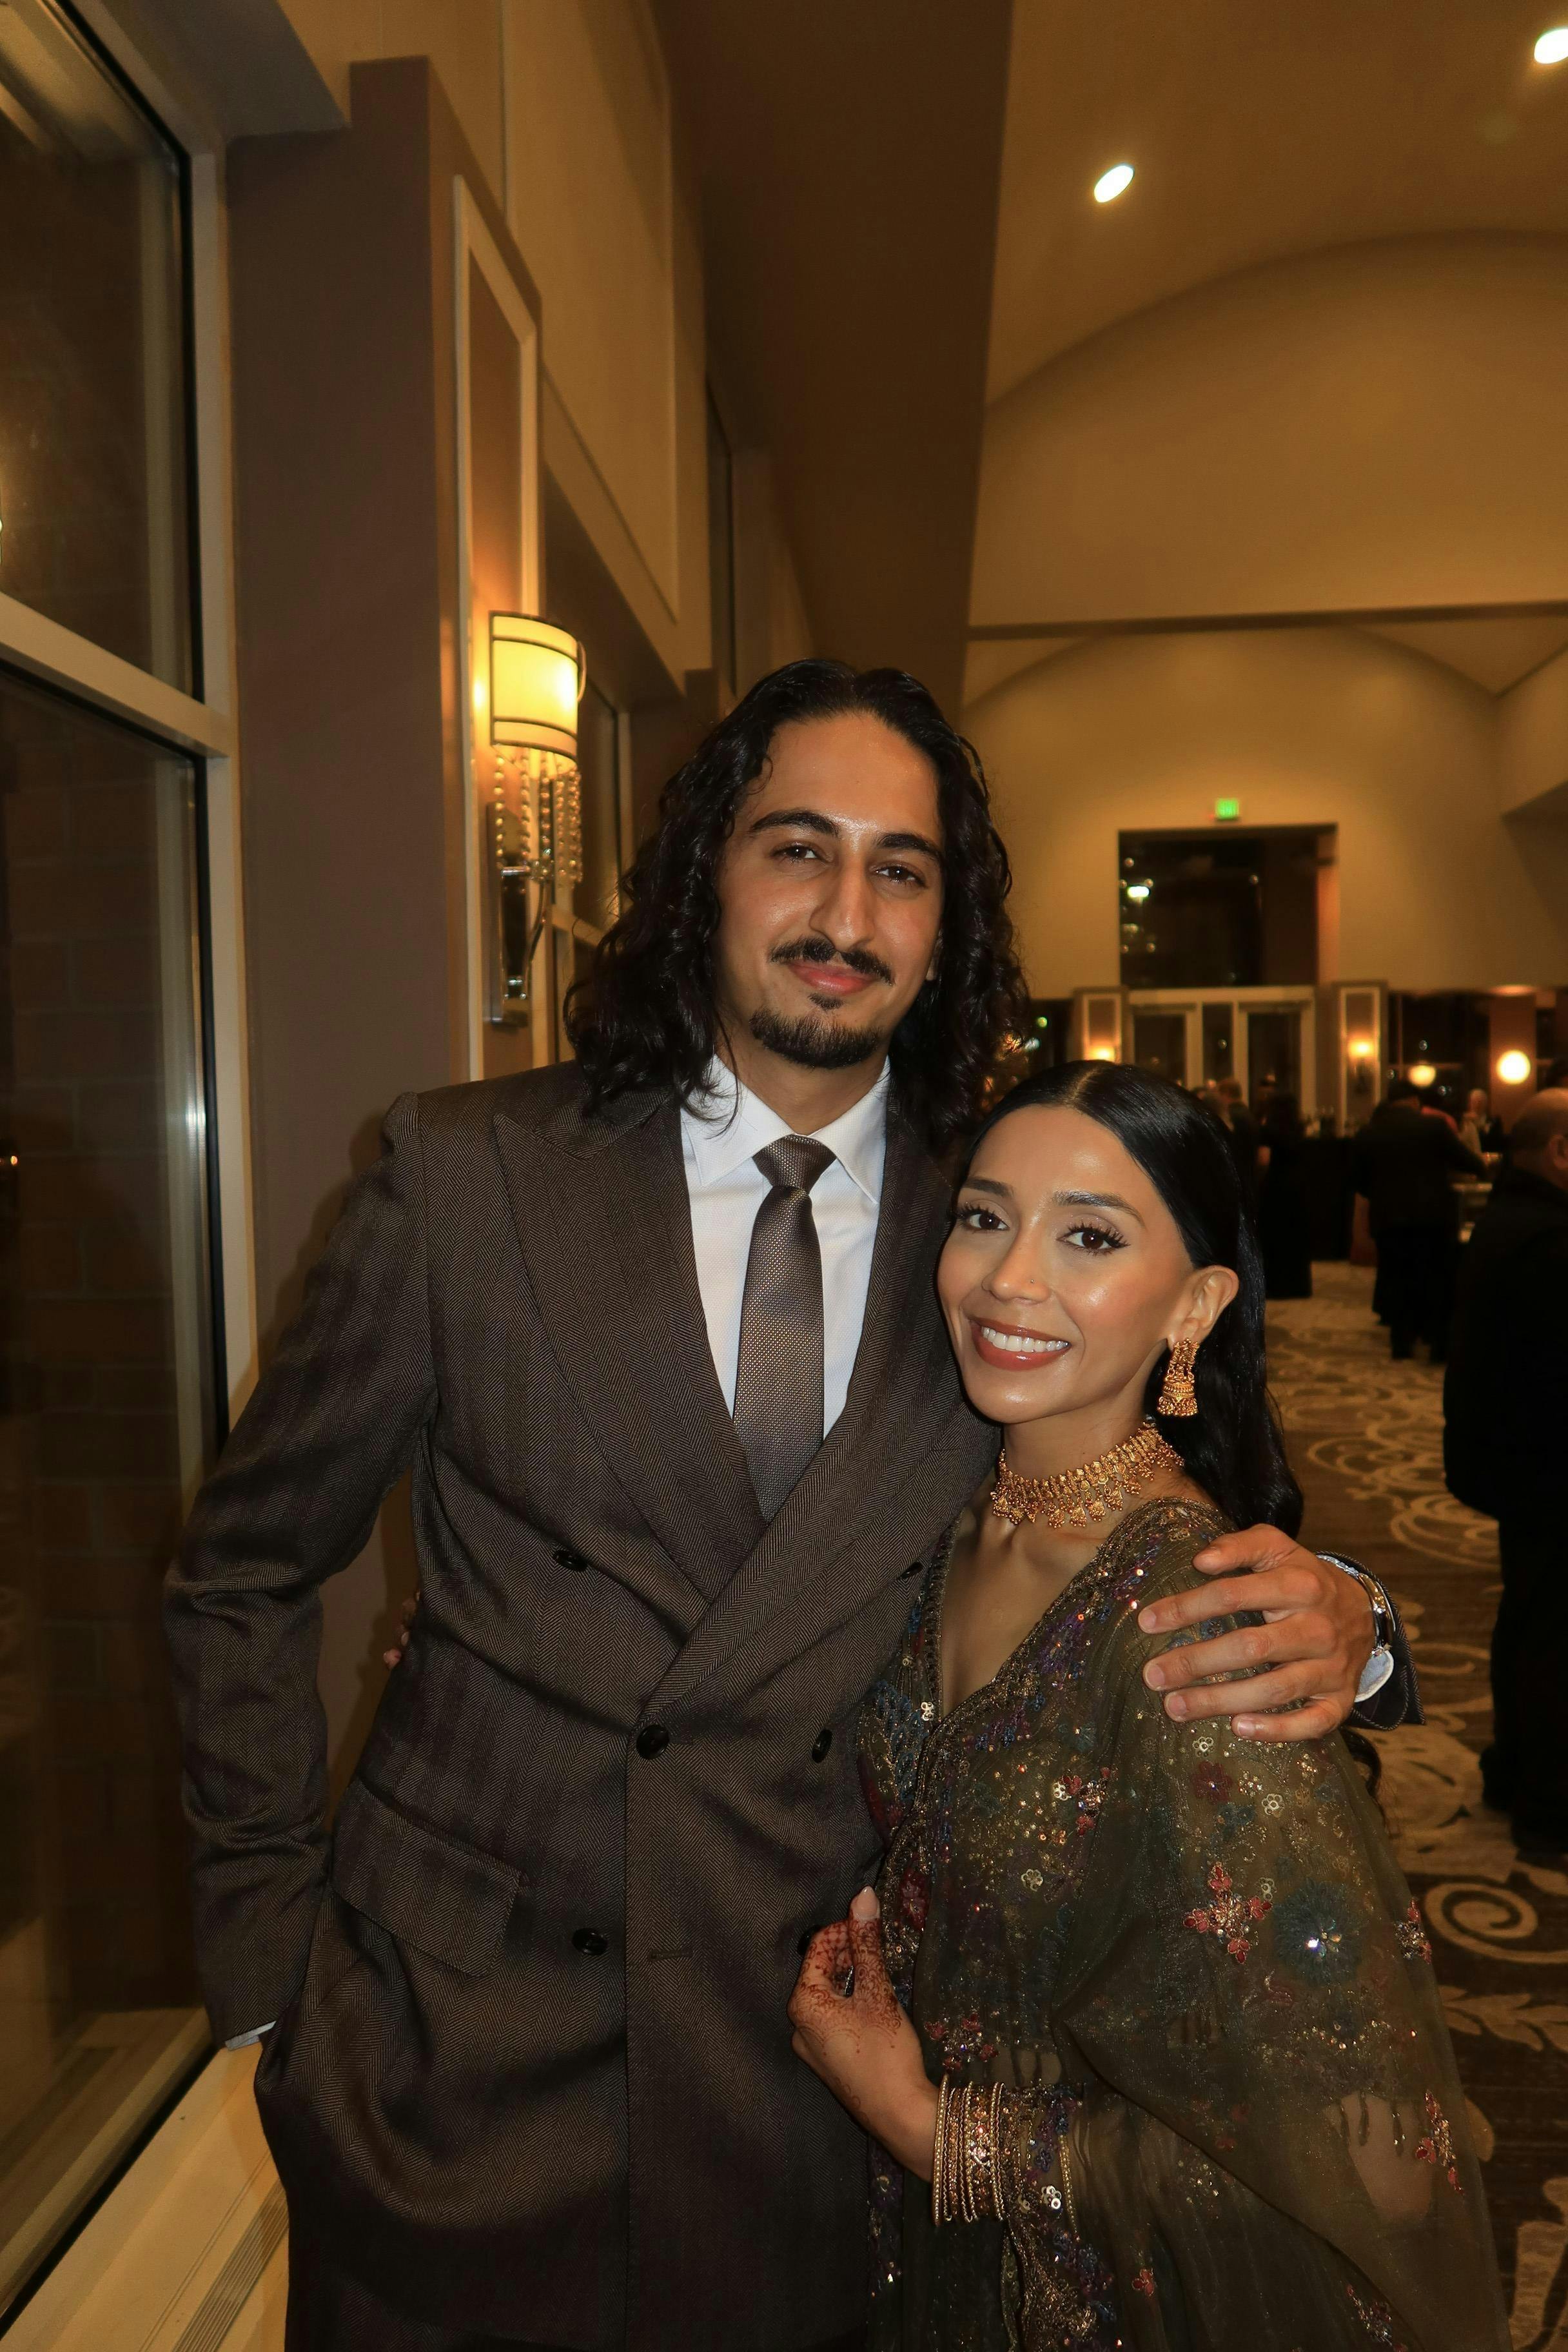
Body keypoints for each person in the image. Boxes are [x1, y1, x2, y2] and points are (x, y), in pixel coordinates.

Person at [164, 660, 1407, 2352]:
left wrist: (1356, 1618)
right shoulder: (466, 1180)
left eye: (901, 870)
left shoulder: (995, 1230)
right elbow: (241, 1569)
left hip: (807, 2091)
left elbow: (1152, 1490)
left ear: (946, 927)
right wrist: (270, 1986)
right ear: (707, 874)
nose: (844, 914)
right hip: (446, 2065)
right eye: (798, 849)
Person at [790, 1062, 1505, 2352]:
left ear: (1196, 1303)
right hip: (900, 2253)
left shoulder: (1197, 1624)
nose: (1009, 1278)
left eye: (1089, 1236)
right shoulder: (938, 1509)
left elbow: (1369, 2152)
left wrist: (936, 2134)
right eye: (984, 1216)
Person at [1444, 1088, 1568, 1855]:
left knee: (1530, 1618)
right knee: (1551, 1633)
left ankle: (1514, 1769)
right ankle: (1549, 1803)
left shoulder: (1515, 1219)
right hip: (1545, 1466)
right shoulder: (1548, 1239)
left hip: (1517, 1459)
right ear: (1558, 1152)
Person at [1351, 1077, 1484, 1360]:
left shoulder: (1368, 1133)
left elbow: (1360, 1182)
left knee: (1397, 1278)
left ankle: (1401, 1343)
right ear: (1415, 1101)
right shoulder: (1434, 1127)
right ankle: (1438, 1345)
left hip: (1389, 1217)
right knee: (1436, 1279)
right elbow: (1470, 1163)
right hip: (1433, 1216)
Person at [1255, 1088, 1313, 1298]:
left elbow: (1264, 1160)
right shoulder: (1300, 1128)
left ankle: (1277, 1286)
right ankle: (1299, 1286)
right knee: (1296, 1236)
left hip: (1276, 1186)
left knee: (1275, 1236)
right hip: (1297, 1186)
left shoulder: (1268, 1130)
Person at [1215, 1074, 1258, 1204]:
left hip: (1236, 1176)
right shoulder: (1249, 1115)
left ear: (1226, 1094)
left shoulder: (1230, 1117)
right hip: (1250, 1175)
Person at [1459, 1086, 1504, 1159]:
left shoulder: (1494, 1122)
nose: (1477, 1105)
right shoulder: (1463, 1121)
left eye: (1480, 1102)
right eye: (1474, 1102)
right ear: (1470, 1103)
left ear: (1486, 1104)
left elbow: (1497, 1143)